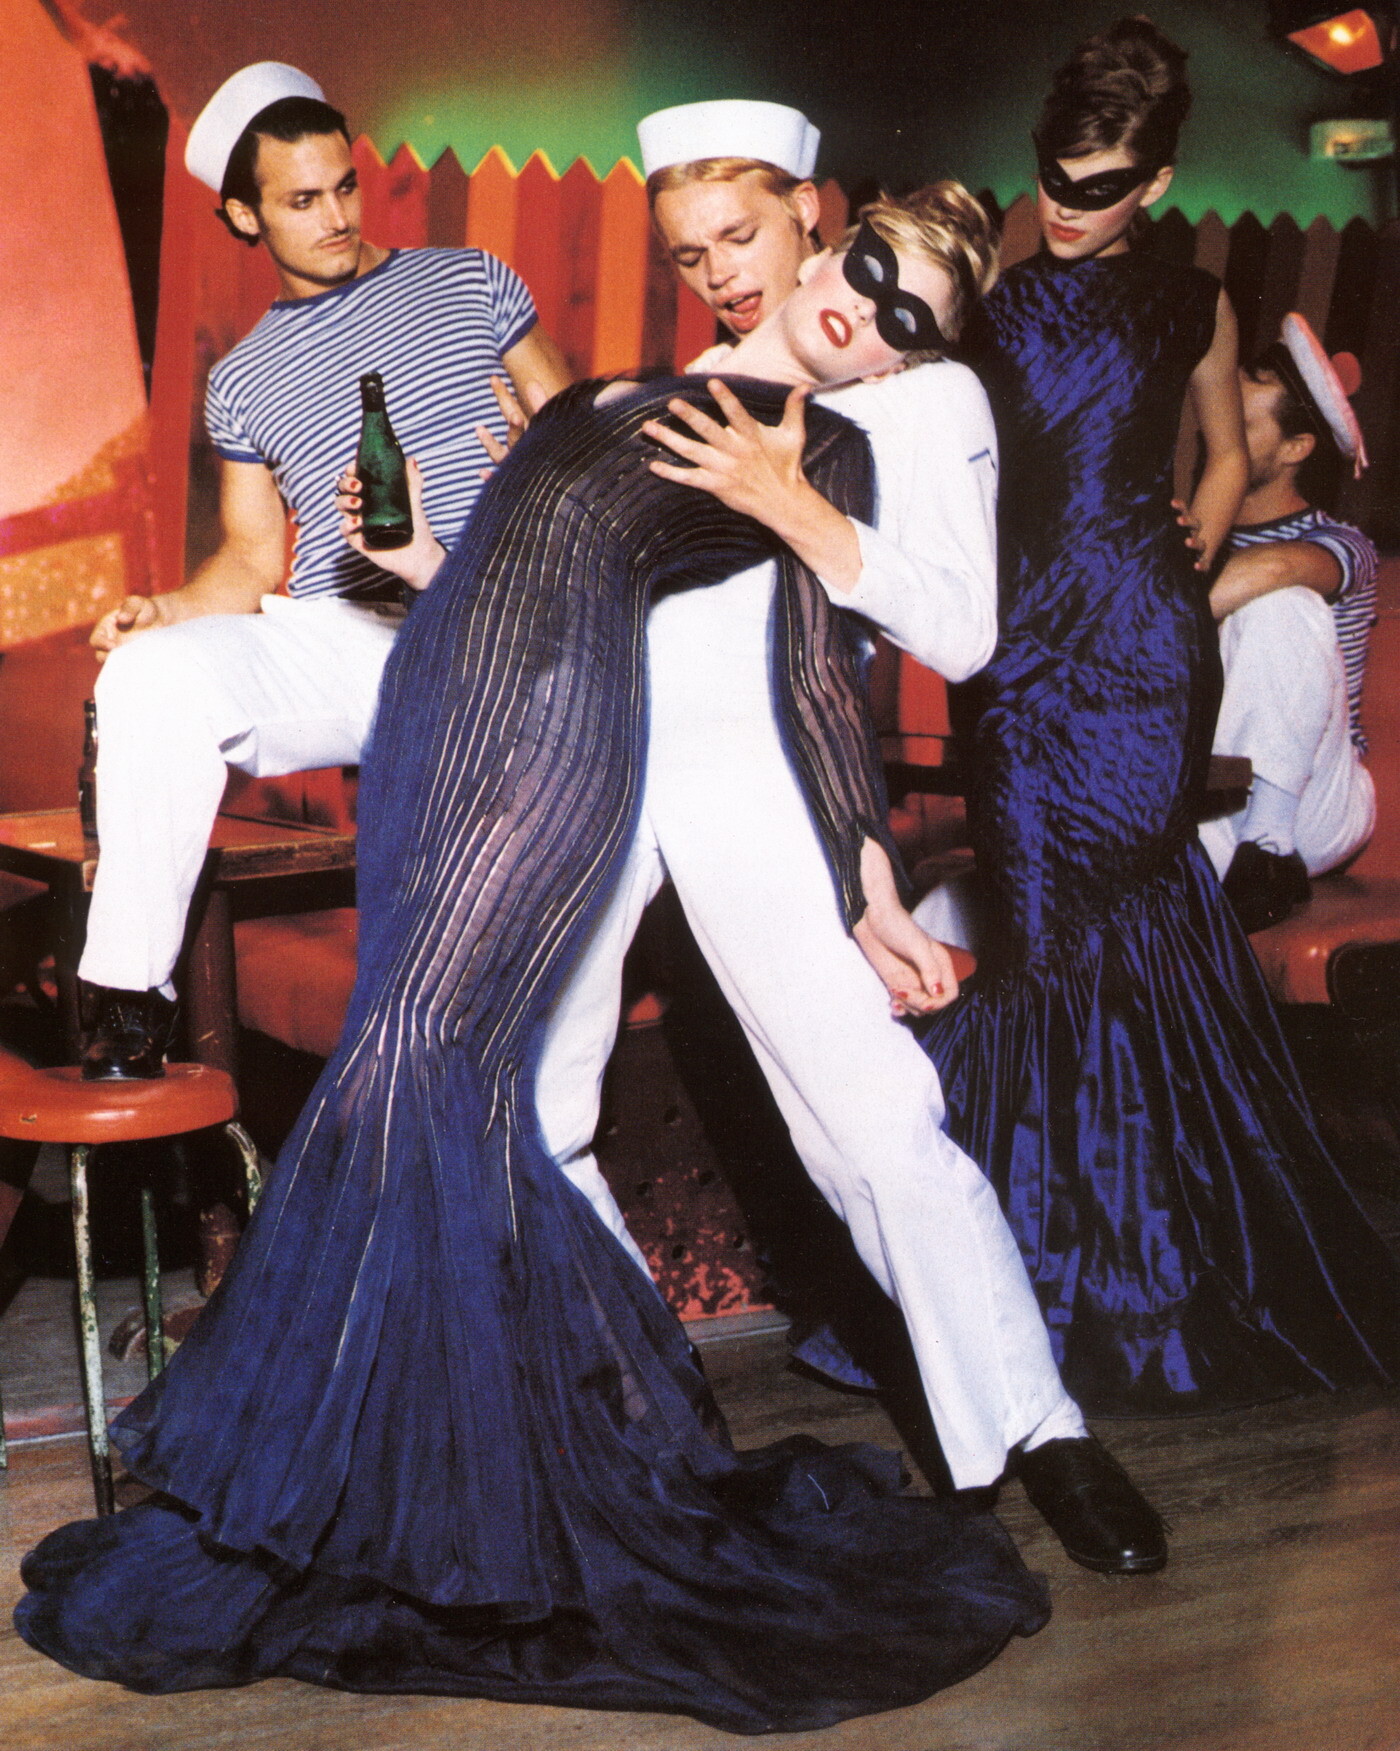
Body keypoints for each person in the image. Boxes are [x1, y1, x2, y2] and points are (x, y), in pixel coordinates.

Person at [18, 207, 1055, 1732]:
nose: (874, 311)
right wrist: (413, 553)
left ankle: (411, 1488)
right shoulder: (620, 384)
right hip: (444, 704)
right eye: (876, 271)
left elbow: (807, 680)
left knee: (424, 1065)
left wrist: (864, 873)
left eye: (915, 320)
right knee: (425, 1068)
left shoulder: (818, 447)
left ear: (910, 360)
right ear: (833, 249)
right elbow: (515, 560)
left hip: (565, 746)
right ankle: (427, 1474)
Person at [503, 101, 1165, 1577]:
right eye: (690, 255)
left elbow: (959, 629)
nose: (721, 274)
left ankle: (1039, 1426)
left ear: (815, 209)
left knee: (870, 1121)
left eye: (739, 236)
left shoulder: (922, 393)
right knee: (535, 1111)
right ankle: (630, 1421)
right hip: (593, 762)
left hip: (754, 782)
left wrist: (789, 505)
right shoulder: (667, 388)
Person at [917, 18, 1399, 1416]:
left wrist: (1181, 558)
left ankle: (1131, 1276)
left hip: (1140, 646)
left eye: (1103, 187)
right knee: (1038, 933)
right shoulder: (992, 299)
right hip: (1016, 652)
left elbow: (1229, 450)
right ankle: (1029, 1275)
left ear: (1159, 182)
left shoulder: (1192, 302)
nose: (1070, 209)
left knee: (1124, 928)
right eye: (1054, 180)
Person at [77, 60, 569, 1079]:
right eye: (302, 201)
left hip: (498, 625)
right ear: (243, 216)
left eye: (344, 186)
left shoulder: (469, 279)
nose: (338, 217)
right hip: (350, 639)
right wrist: (163, 609)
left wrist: (549, 454)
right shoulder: (242, 378)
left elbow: (576, 428)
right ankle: (125, 1001)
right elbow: (253, 557)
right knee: (147, 675)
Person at [1199, 315, 1378, 932]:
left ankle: (1269, 850)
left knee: (1281, 602)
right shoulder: (1189, 534)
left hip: (1312, 808)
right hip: (1213, 793)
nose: (1220, 436)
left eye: (1241, 427)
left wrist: (1145, 615)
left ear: (1295, 448)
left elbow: (1275, 568)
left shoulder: (1342, 543)